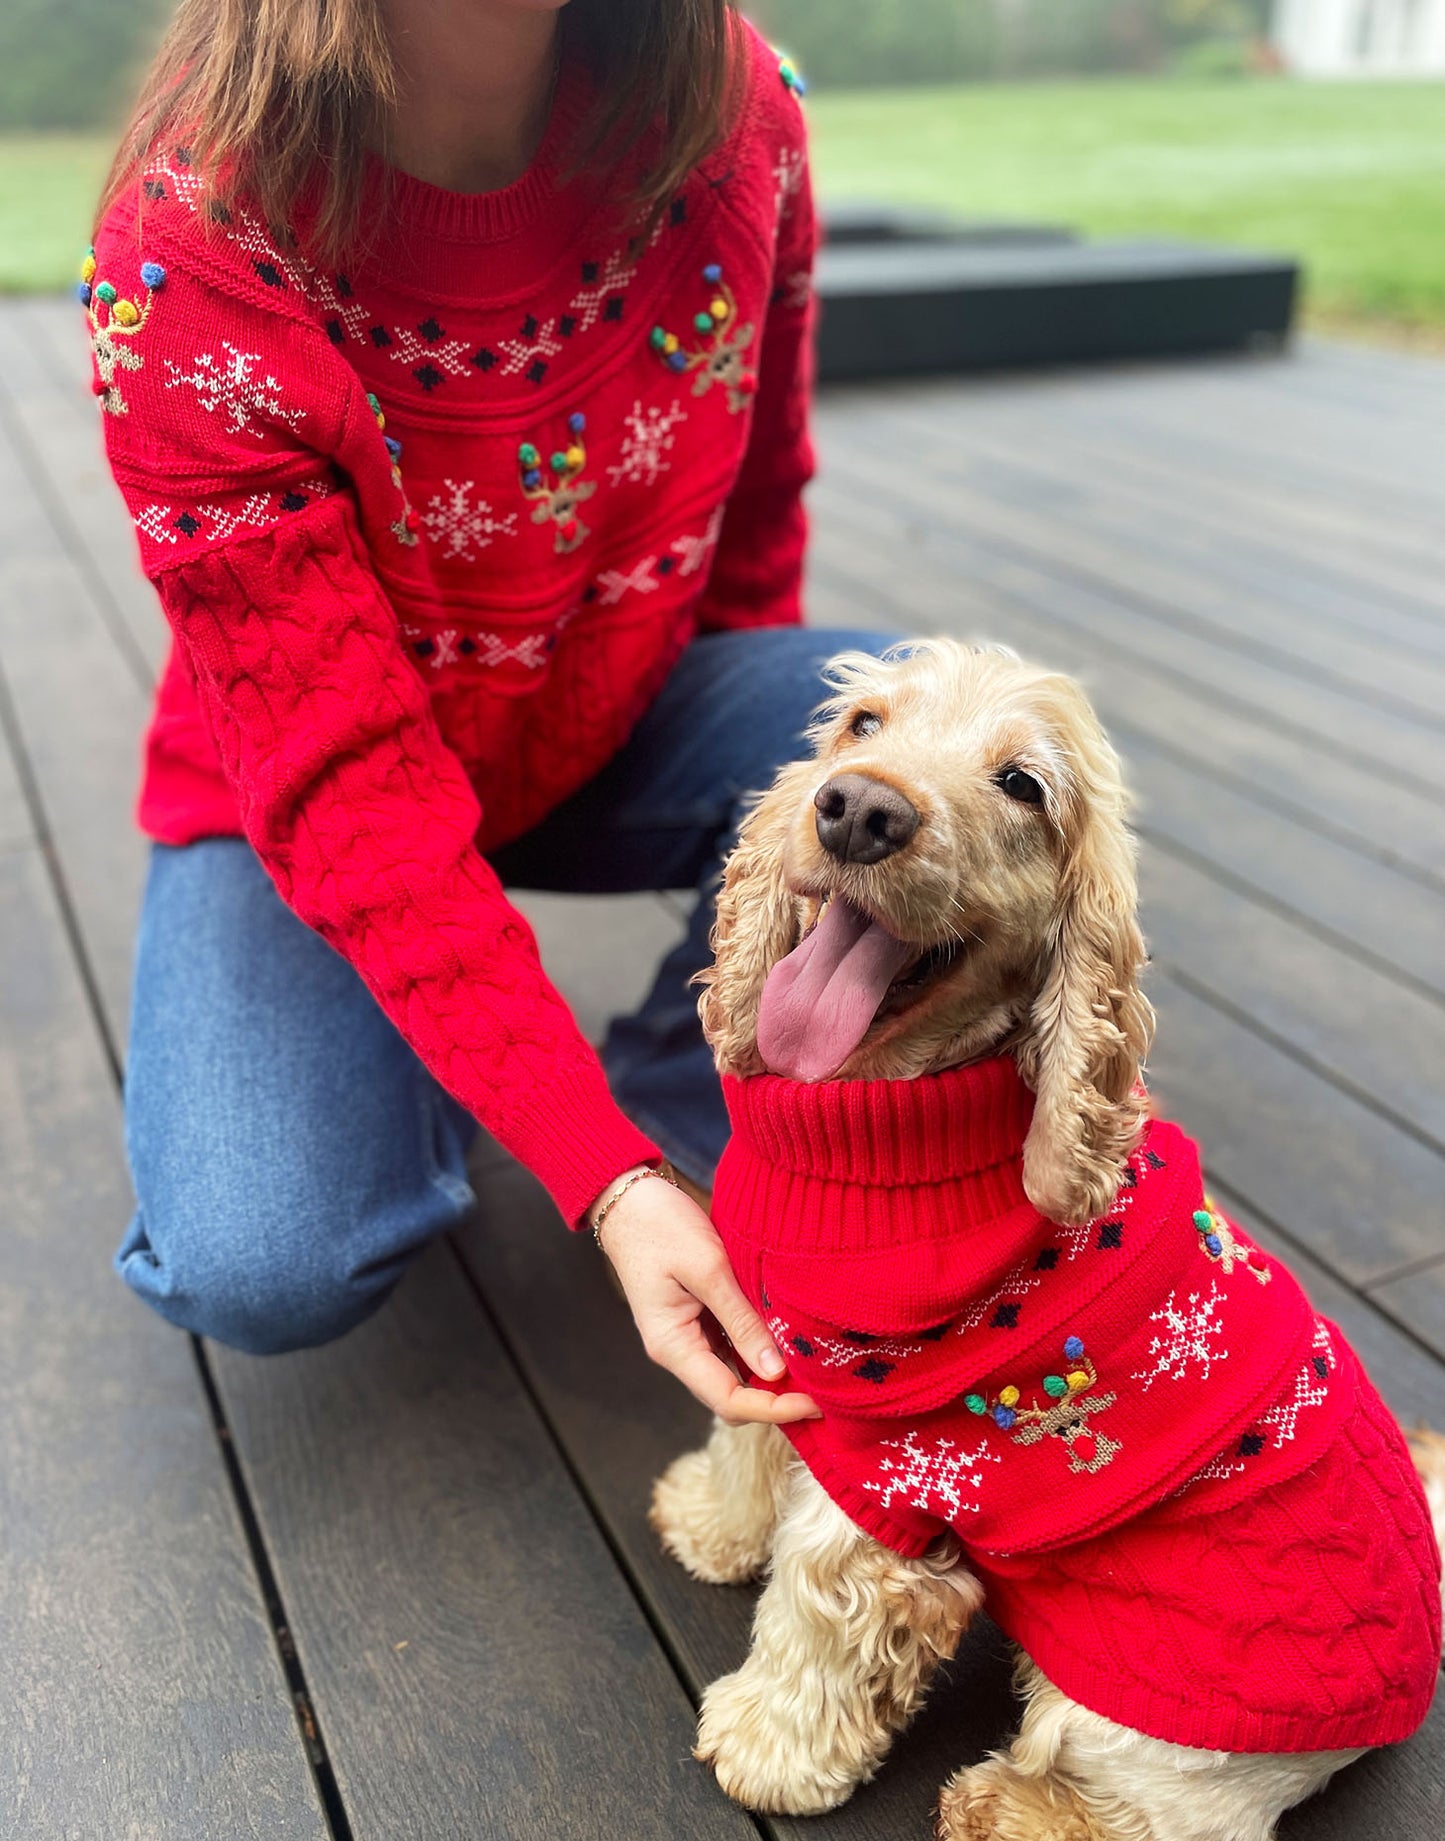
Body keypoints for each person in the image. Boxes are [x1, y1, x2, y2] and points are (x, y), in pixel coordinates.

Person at [87, 0, 891, 1425]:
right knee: (263, 1258)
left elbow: (757, 510)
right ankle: (472, 1052)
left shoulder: (734, 112)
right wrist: (604, 1177)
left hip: (605, 711)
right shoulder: (189, 247)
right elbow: (353, 798)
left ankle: (663, 1076)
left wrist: (756, 897)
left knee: (895, 734)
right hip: (317, 797)